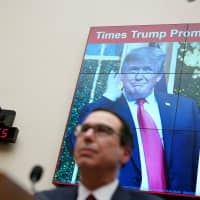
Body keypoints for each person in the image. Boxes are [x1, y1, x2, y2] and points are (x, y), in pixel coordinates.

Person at [71, 45, 200, 194]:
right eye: (133, 70)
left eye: (147, 70)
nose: (139, 76)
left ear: (158, 76)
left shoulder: (185, 108)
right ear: (123, 74)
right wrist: (108, 98)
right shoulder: (106, 108)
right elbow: (75, 144)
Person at [35, 109, 164, 200]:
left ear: (125, 153)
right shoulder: (41, 198)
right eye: (84, 129)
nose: (88, 136)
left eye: (102, 130)